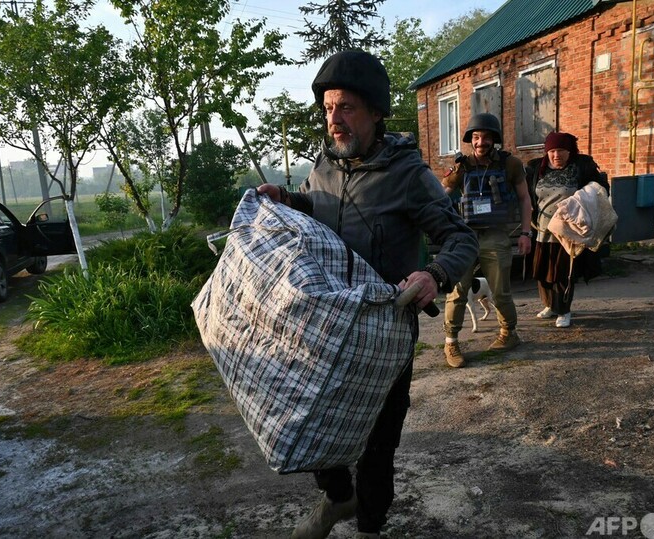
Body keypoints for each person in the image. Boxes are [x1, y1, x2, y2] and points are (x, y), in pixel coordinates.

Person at [257, 50, 478, 539]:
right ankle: (338, 498)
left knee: (378, 444)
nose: (334, 120)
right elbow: (317, 208)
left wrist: (433, 275)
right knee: (313, 420)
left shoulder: (408, 174)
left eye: (347, 108)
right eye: (328, 108)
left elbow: (460, 239)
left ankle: (370, 528)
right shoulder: (323, 166)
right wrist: (287, 200)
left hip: (384, 331)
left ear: (376, 113)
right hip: (327, 326)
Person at [439, 112, 533, 367]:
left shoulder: (510, 164)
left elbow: (525, 198)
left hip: (496, 235)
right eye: (477, 137)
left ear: (495, 139)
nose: (481, 142)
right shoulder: (462, 166)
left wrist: (526, 233)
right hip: (465, 237)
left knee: (500, 291)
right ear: (471, 139)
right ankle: (451, 342)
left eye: (487, 137)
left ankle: (508, 333)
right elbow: (442, 194)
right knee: (457, 291)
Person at [528, 131, 610, 328]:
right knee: (542, 271)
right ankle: (550, 305)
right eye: (552, 151)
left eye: (561, 151)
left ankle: (564, 310)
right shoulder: (536, 168)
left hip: (568, 231)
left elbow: (601, 189)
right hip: (542, 230)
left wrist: (586, 195)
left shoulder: (581, 167)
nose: (556, 155)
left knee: (563, 272)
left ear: (569, 151)